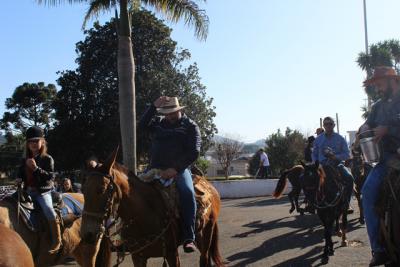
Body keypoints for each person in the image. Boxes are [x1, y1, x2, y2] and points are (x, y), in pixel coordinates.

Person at [139, 96, 201, 253]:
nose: (169, 116)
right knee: (130, 191)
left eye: (173, 112)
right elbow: (141, 126)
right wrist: (153, 106)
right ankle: (121, 237)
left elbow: (194, 152)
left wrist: (175, 169)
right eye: (166, 113)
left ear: (180, 110)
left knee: (187, 193)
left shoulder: (190, 126)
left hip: (179, 170)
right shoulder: (158, 123)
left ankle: (189, 237)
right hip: (154, 168)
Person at [358, 66, 400, 266]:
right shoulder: (377, 107)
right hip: (386, 160)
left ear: (392, 81)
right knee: (367, 192)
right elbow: (367, 124)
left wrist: (388, 129)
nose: (378, 89)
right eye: (375, 86)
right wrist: (364, 127)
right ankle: (379, 249)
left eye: (380, 84)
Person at [15, 126, 61, 253]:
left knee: (48, 210)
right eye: (31, 141)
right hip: (27, 191)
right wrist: (18, 179)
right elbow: (20, 173)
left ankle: (57, 239)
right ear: (27, 144)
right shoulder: (24, 159)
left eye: (36, 141)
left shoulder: (47, 158)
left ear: (42, 142)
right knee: (11, 203)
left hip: (43, 191)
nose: (33, 144)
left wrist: (36, 169)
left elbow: (50, 176)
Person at [312, 117, 354, 207]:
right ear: (323, 126)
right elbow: (314, 154)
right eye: (326, 124)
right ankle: (312, 201)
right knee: (309, 179)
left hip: (337, 165)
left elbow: (347, 154)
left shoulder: (340, 138)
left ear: (334, 125)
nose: (328, 126)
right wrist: (316, 163)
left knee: (349, 178)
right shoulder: (318, 140)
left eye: (330, 124)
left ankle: (347, 202)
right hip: (321, 166)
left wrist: (335, 157)